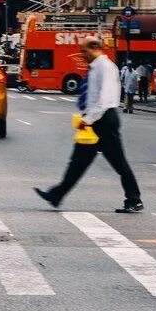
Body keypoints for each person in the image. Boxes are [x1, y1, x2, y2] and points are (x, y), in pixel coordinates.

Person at [34, 37, 144, 213]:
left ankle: (134, 199)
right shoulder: (95, 68)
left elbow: (105, 99)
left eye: (84, 51)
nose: (82, 55)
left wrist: (88, 120)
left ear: (95, 48)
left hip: (104, 120)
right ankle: (56, 195)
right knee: (78, 162)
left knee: (118, 162)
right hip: (95, 120)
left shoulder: (106, 68)